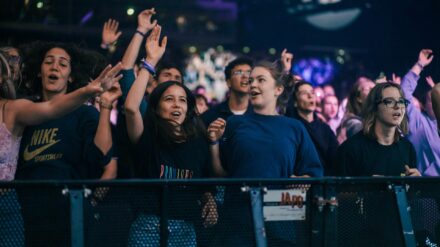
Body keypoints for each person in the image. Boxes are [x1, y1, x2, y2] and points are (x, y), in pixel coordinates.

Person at [14, 42, 122, 246]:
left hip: (69, 213)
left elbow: (101, 156)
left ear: (71, 76)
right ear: (39, 72)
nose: (54, 67)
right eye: (48, 62)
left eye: (63, 64)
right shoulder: (26, 112)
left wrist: (106, 105)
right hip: (27, 212)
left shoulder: (84, 113)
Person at [208, 61, 322, 246]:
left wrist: (300, 182)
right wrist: (213, 143)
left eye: (260, 80)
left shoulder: (295, 127)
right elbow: (221, 173)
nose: (252, 84)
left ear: (278, 89)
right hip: (238, 223)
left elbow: (313, 174)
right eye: (251, 80)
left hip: (281, 221)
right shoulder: (235, 123)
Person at [124, 25, 217, 247]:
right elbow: (130, 107)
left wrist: (209, 200)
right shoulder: (147, 136)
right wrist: (150, 62)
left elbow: (205, 184)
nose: (177, 104)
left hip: (185, 229)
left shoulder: (198, 141)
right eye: (169, 99)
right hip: (148, 228)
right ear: (156, 108)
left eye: (182, 100)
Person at [400, 49, 440, 176]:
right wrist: (419, 65)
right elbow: (404, 92)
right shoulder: (420, 122)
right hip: (428, 190)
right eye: (432, 99)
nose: (437, 102)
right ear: (424, 106)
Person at [286, 81, 338, 175]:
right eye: (304, 93)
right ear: (295, 102)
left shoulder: (325, 129)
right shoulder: (289, 127)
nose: (310, 96)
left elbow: (335, 159)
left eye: (312, 92)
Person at [201, 57, 253, 126]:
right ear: (228, 82)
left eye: (248, 72)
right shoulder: (210, 116)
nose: (245, 76)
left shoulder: (259, 115)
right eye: (238, 72)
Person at [337, 76, 375, 143]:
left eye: (376, 89)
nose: (375, 92)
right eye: (370, 89)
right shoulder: (355, 125)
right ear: (359, 98)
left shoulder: (369, 121)